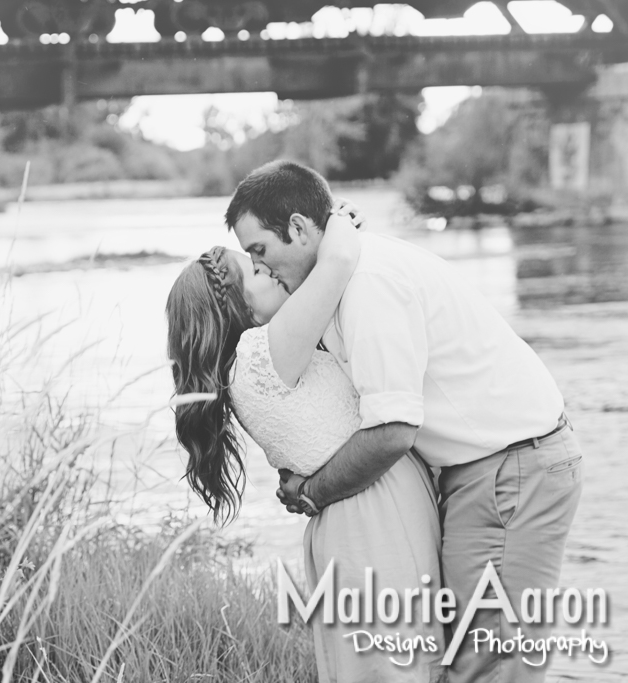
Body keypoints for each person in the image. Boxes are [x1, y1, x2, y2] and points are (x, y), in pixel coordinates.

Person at [226, 160, 583, 683]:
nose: (262, 267)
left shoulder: (369, 283)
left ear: (299, 228)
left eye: (260, 251)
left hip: (515, 469)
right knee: (464, 659)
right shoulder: (340, 278)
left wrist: (314, 491)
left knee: (493, 663)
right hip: (479, 472)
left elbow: (393, 430)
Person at [166, 209, 446, 682]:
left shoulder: (247, 369)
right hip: (374, 516)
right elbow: (335, 262)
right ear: (237, 307)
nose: (270, 268)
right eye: (255, 267)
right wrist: (334, 219)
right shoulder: (266, 351)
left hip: (344, 519)